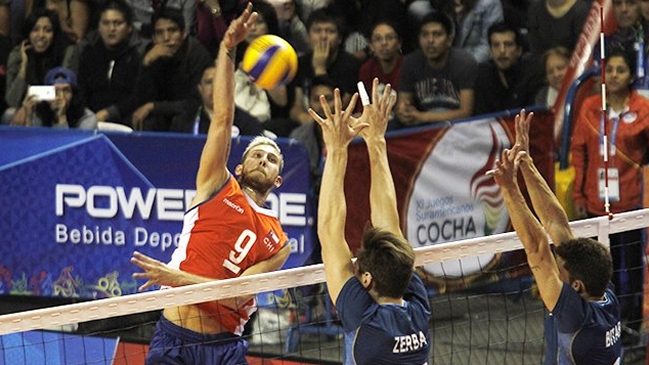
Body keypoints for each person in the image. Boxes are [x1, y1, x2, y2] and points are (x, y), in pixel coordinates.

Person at [130, 5, 291, 364]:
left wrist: (175, 277)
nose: (263, 159)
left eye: (272, 159)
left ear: (277, 179)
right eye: (256, 154)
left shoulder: (278, 242)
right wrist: (228, 47)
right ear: (239, 164)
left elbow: (234, 296)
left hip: (223, 349)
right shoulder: (218, 184)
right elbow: (222, 116)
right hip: (174, 338)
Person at [311, 78, 431, 365]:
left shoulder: (368, 318)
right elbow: (387, 230)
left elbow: (329, 231)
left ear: (366, 280)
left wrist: (337, 149)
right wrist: (375, 141)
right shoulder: (416, 308)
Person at [488, 109, 621, 364]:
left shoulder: (577, 317)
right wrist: (526, 163)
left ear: (576, 286)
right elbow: (555, 223)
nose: (555, 267)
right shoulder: (605, 292)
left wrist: (509, 189)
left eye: (560, 269)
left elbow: (537, 248)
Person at [571, 47, 649, 338]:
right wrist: (578, 195)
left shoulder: (642, 108)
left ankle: (629, 324)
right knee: (600, 266)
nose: (614, 75)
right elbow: (578, 151)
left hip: (630, 205)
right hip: (595, 201)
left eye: (621, 70)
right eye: (610, 69)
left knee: (631, 265)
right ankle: (602, 318)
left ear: (631, 75)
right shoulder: (591, 106)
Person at [130, 7, 213, 131]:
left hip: (191, 115)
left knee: (180, 121)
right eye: (159, 32)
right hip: (161, 115)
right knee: (143, 122)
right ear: (153, 38)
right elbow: (139, 100)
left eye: (172, 31)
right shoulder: (151, 55)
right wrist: (146, 65)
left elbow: (196, 103)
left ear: (183, 33)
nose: (166, 38)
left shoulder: (197, 55)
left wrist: (153, 106)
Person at [67, 0, 146, 124]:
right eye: (106, 23)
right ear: (98, 26)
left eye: (118, 23)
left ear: (129, 28)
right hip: (90, 119)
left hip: (126, 118)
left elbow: (138, 95)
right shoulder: (87, 52)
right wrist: (87, 116)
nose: (111, 29)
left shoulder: (139, 53)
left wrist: (109, 113)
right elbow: (80, 91)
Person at [397, 11, 477, 126]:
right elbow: (403, 104)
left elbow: (466, 112)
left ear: (449, 40)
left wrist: (424, 117)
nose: (430, 41)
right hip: (422, 129)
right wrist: (405, 113)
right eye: (425, 35)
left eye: (437, 34)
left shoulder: (464, 63)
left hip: (458, 128)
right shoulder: (410, 63)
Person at [288, 8, 361, 127]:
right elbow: (296, 108)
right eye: (317, 31)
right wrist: (304, 118)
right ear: (308, 36)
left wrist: (320, 70)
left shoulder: (351, 65)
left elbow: (342, 110)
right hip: (308, 124)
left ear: (339, 38)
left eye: (330, 31)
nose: (323, 36)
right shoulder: (299, 63)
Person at [169, 65, 270, 137]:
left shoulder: (247, 123)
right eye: (209, 82)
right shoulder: (183, 121)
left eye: (220, 81)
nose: (215, 87)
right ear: (200, 88)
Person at [4, 8, 71, 110]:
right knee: (10, 113)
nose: (41, 35)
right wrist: (23, 67)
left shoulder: (65, 53)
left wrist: (29, 102)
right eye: (35, 29)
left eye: (47, 30)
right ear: (29, 33)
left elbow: (63, 95)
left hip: (57, 109)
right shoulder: (17, 54)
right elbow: (11, 101)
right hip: (27, 110)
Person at [473, 22, 543, 115]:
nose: (502, 51)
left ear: (519, 50)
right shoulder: (483, 74)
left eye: (508, 44)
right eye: (496, 45)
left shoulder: (532, 73)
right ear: (490, 51)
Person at [10, 66, 98, 129]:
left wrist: (61, 118)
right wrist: (28, 116)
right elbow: (30, 146)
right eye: (56, 91)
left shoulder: (87, 117)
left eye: (66, 91)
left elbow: (73, 150)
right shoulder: (40, 113)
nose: (61, 96)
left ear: (74, 94)